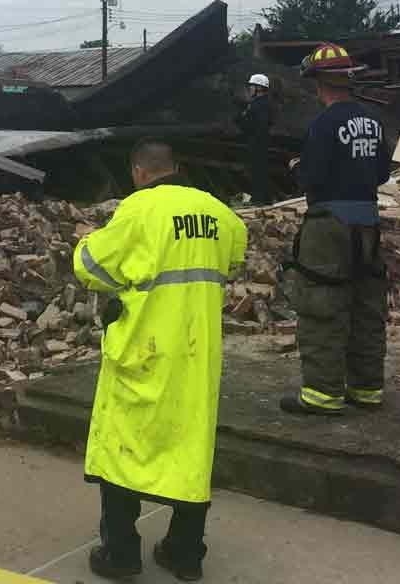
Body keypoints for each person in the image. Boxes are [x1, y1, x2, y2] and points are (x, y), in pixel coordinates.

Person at [73, 139, 247, 581]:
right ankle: (185, 554)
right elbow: (234, 258)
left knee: (122, 450)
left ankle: (121, 554)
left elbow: (89, 264)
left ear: (139, 172)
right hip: (196, 355)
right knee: (190, 452)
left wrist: (119, 276)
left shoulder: (138, 209)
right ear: (176, 166)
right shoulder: (218, 213)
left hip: (143, 351)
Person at [280, 43, 390, 415]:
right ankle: (367, 388)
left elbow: (311, 178)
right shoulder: (373, 121)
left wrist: (296, 167)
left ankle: (322, 394)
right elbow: (382, 173)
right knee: (366, 305)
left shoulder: (324, 124)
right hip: (368, 224)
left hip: (329, 225)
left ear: (319, 83)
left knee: (322, 303)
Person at [235, 73, 273, 204]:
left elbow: (253, 125)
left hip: (257, 143)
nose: (250, 89)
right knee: (260, 171)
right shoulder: (263, 104)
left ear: (259, 88)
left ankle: (260, 200)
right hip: (260, 142)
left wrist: (242, 118)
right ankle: (263, 199)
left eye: (252, 86)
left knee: (257, 172)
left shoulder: (258, 105)